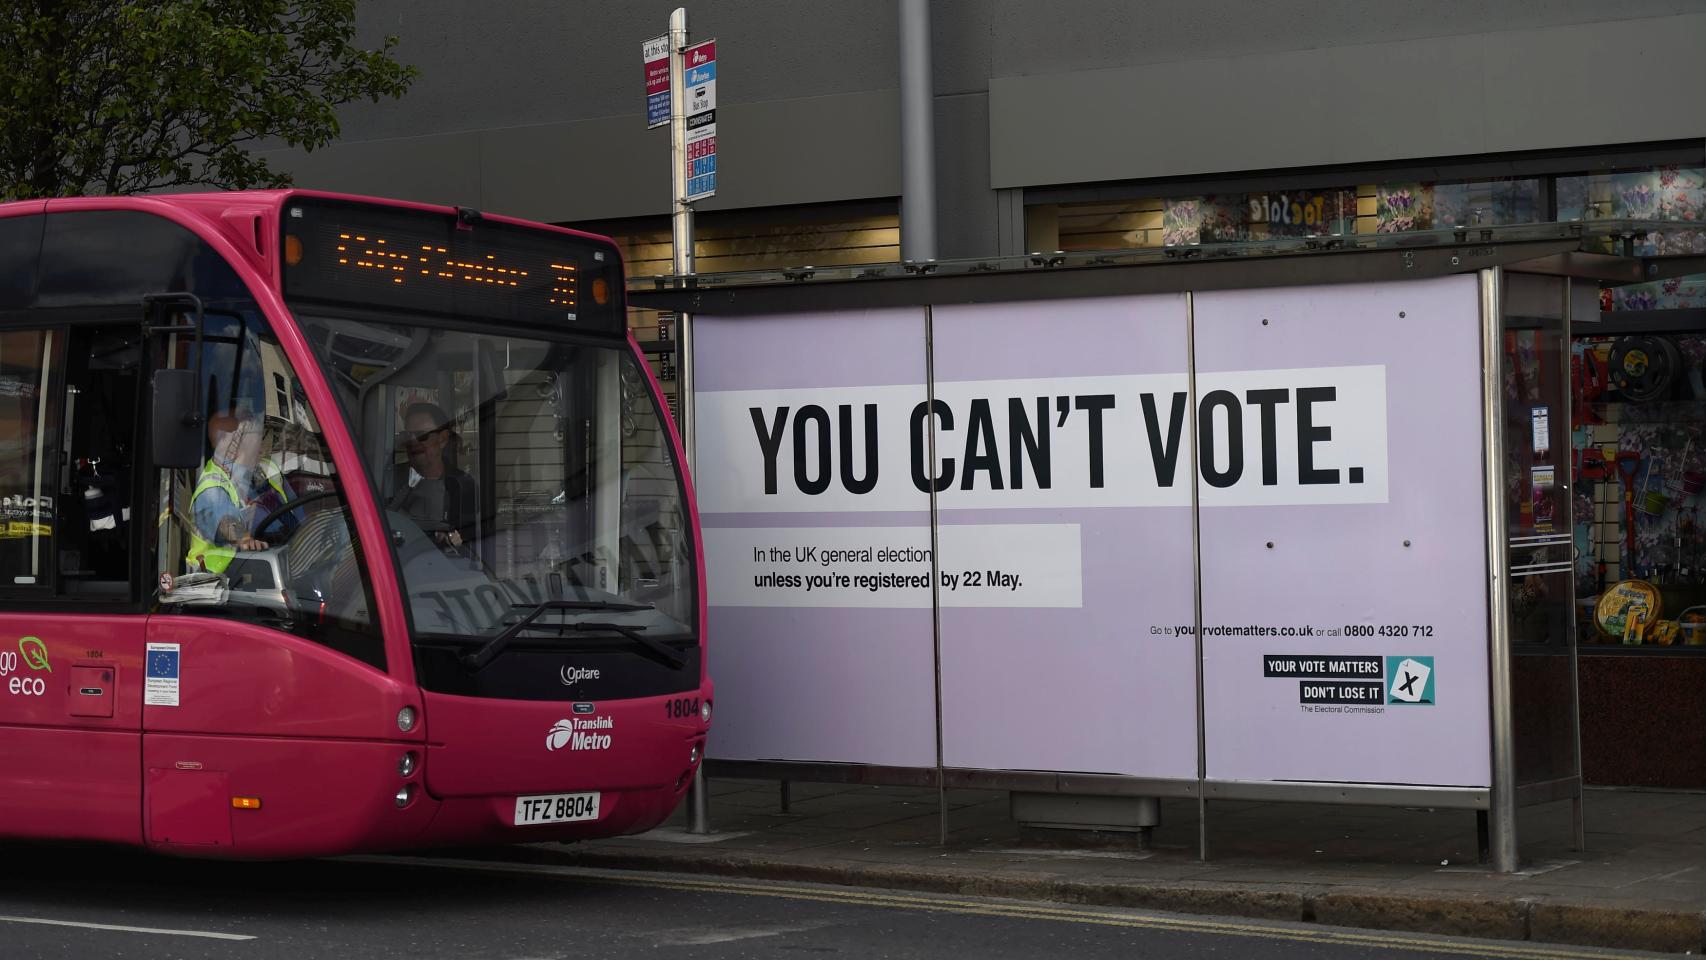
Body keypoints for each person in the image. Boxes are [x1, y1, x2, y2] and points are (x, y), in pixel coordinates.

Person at [187, 407, 295, 574]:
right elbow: (225, 520)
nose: (261, 438)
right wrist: (244, 539)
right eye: (251, 431)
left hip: (277, 562)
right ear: (226, 442)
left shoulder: (267, 469)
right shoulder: (212, 486)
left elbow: (296, 513)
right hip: (219, 586)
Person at [389, 402, 479, 554]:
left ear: (443, 439)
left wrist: (454, 538)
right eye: (406, 435)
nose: (412, 442)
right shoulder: (388, 479)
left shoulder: (464, 486)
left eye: (420, 435)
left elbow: (471, 539)